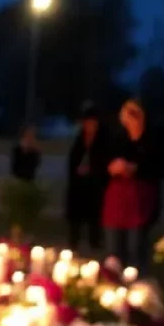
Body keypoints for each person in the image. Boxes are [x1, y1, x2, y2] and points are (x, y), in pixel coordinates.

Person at [102, 99, 164, 271]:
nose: (130, 118)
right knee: (113, 254)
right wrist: (111, 168)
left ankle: (136, 281)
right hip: (116, 203)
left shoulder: (154, 139)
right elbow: (102, 163)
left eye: (135, 113)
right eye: (127, 113)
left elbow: (163, 168)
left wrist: (136, 168)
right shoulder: (117, 138)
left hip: (140, 203)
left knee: (136, 251)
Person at [66, 102, 108, 250]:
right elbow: (73, 159)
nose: (89, 125)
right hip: (78, 184)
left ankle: (94, 242)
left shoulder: (104, 139)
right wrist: (78, 170)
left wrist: (92, 169)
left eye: (92, 122)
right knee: (75, 216)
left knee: (94, 215)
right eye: (86, 122)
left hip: (95, 185)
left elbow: (104, 160)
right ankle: (74, 242)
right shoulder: (80, 139)